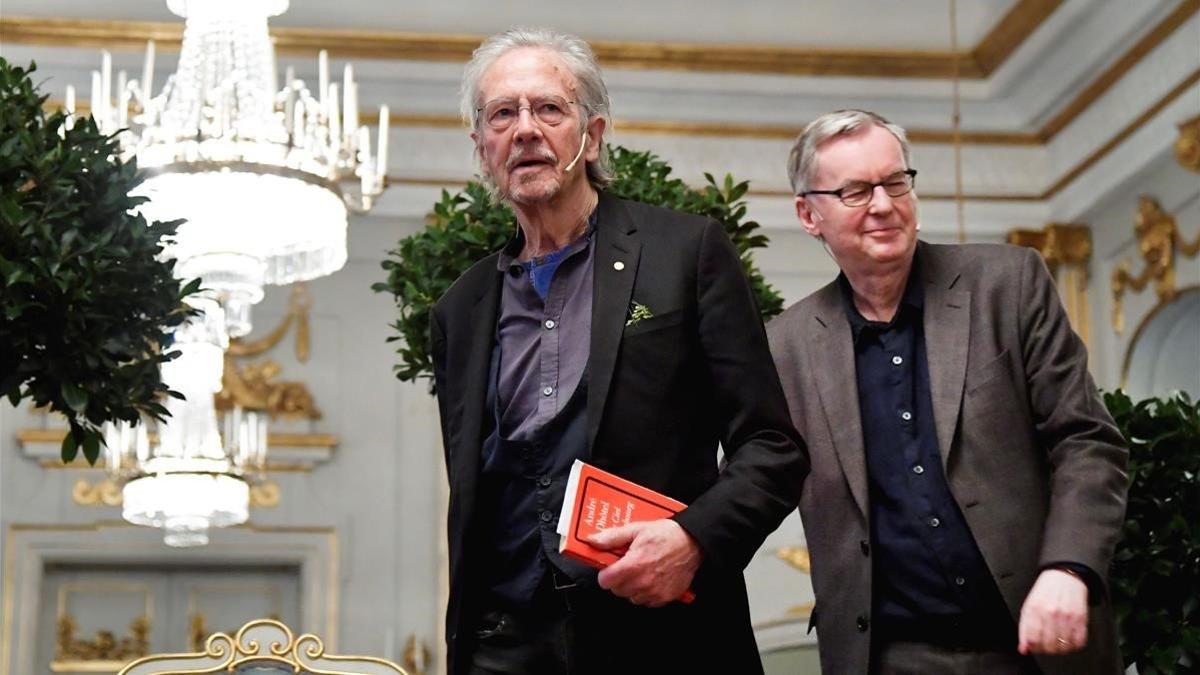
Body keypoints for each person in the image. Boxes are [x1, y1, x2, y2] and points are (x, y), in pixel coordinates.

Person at [429, 28, 807, 675]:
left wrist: (693, 538)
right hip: (504, 641)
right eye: (502, 114)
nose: (525, 129)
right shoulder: (458, 310)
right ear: (481, 149)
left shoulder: (685, 253)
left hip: (663, 639)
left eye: (549, 108)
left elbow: (773, 448)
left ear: (592, 135)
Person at [766, 109, 1129, 675]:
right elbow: (756, 478)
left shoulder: (1008, 285)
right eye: (856, 191)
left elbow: (1087, 441)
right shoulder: (784, 346)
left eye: (895, 181)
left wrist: (1069, 568)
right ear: (808, 214)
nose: (884, 205)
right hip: (890, 656)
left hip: (1037, 640)